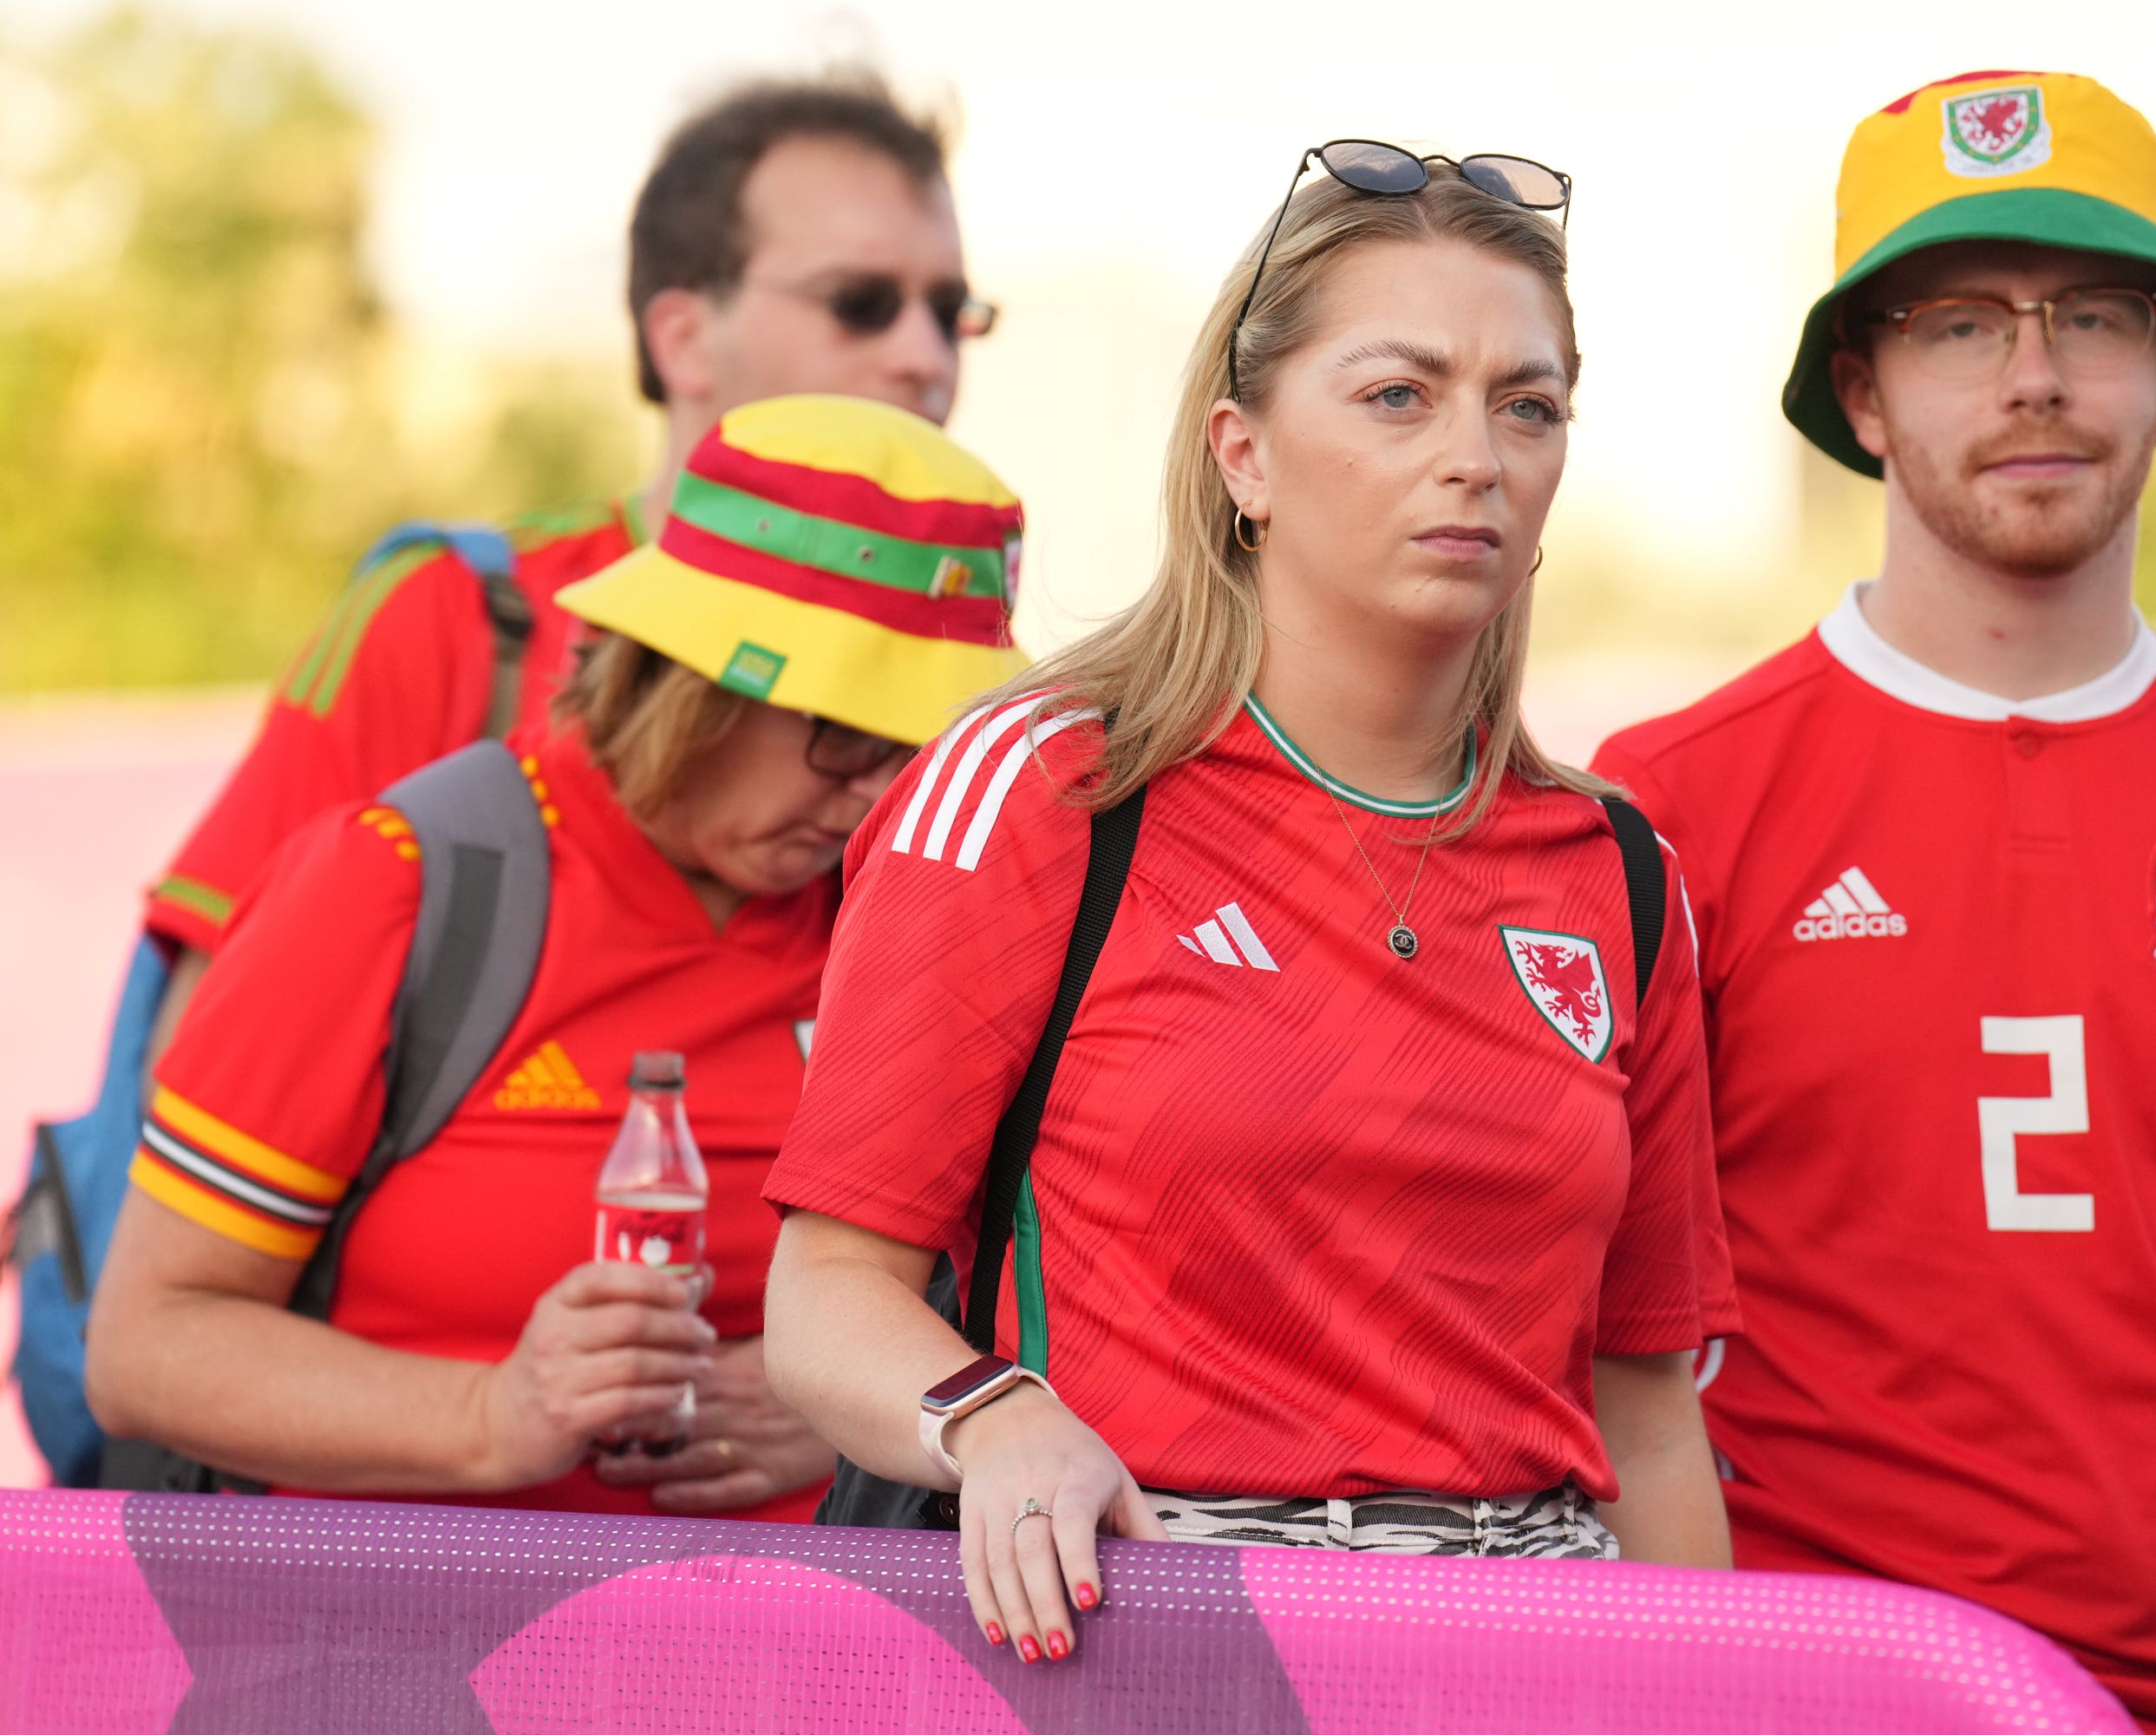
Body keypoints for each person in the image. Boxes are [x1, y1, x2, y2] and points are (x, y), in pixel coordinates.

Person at [763, 142, 1736, 1666]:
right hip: (1141, 1644)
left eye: (1528, 403)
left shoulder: (1622, 874)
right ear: (1244, 455)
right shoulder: (1042, 785)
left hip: (1527, 1657)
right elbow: (826, 1295)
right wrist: (992, 1419)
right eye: (1398, 394)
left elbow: (1651, 1414)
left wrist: (1713, 1698)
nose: (1475, 453)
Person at [1593, 72, 2156, 1735]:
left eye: (2092, 313)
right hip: (1826, 1700)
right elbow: (1606, 1368)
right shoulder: (1671, 806)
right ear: (1860, 388)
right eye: (1957, 325)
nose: (2034, 374)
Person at [86, 396, 1029, 1519]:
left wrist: (862, 1409)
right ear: (686, 679)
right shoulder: (398, 885)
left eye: (923, 748)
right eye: (847, 735)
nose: (881, 791)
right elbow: (145, 1347)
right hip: (400, 1666)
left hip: (789, 1675)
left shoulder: (918, 908)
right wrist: (494, 1415)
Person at [141, 70, 991, 1050]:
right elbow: (206, 1049)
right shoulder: (460, 612)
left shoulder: (971, 655)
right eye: (862, 302)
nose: (927, 355)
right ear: (681, 338)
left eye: (955, 311)